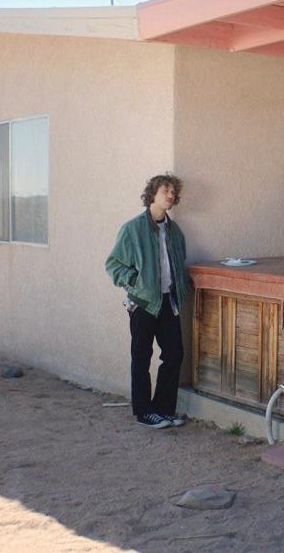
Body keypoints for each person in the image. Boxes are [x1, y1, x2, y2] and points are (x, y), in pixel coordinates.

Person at [105, 174, 189, 429]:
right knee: (141, 357)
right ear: (153, 193)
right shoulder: (132, 229)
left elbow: (179, 262)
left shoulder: (175, 231)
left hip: (167, 302)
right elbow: (113, 265)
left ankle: (163, 409)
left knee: (174, 354)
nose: (171, 195)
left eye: (174, 192)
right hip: (143, 303)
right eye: (166, 190)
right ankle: (144, 412)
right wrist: (135, 282)